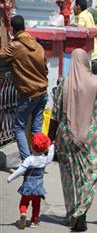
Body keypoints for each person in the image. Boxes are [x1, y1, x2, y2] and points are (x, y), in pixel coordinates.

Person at [48, 48, 97, 231]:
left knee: (69, 177)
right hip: (90, 135)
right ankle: (81, 210)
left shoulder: (64, 83)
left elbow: (55, 115)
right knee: (90, 175)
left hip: (66, 136)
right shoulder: (96, 82)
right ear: (86, 62)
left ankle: (72, 214)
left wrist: (49, 139)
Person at [0, 15, 48, 160]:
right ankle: (38, 157)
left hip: (29, 95)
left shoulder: (15, 47)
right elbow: (45, 68)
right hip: (43, 92)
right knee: (36, 128)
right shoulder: (37, 45)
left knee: (18, 127)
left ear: (13, 30)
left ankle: (27, 161)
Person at [7, 133, 55, 229]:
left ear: (31, 146)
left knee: (24, 203)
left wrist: (10, 178)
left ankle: (23, 214)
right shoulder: (45, 160)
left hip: (27, 188)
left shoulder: (29, 159)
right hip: (38, 189)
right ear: (45, 149)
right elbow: (51, 154)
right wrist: (52, 145)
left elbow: (20, 171)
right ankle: (34, 221)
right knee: (36, 205)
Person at [74, 0, 97, 74]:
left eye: (74, 6)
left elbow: (79, 33)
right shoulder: (89, 14)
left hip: (91, 57)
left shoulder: (82, 16)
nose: (73, 8)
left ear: (78, 6)